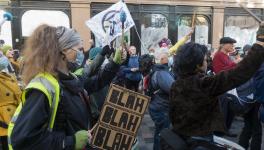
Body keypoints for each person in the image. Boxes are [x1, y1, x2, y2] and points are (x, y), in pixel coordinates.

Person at [8, 24, 122, 150]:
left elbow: (96, 83)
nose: (81, 53)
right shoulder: (43, 88)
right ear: (64, 51)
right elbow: (23, 140)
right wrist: (70, 142)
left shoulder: (71, 77)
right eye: (78, 49)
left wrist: (115, 64)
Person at [168, 26, 264, 149]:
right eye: (205, 60)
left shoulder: (177, 83)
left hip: (183, 137)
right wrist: (260, 40)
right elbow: (240, 73)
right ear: (198, 65)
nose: (207, 62)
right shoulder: (203, 84)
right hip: (199, 140)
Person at [139, 54, 175, 150]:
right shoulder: (160, 73)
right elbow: (174, 88)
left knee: (159, 133)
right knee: (163, 135)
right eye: (167, 56)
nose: (169, 58)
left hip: (155, 106)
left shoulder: (149, 73)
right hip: (162, 108)